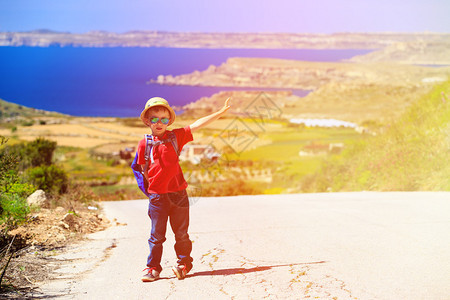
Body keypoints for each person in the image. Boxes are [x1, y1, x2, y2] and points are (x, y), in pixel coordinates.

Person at [137, 96, 231, 282]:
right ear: (148, 121)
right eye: (154, 118)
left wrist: (220, 113)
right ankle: (153, 268)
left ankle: (184, 264)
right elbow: (143, 170)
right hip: (157, 198)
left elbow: (197, 124)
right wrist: (156, 188)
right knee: (156, 236)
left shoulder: (176, 136)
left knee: (181, 233)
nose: (159, 123)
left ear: (169, 121)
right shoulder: (144, 143)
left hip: (179, 195)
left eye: (164, 119)